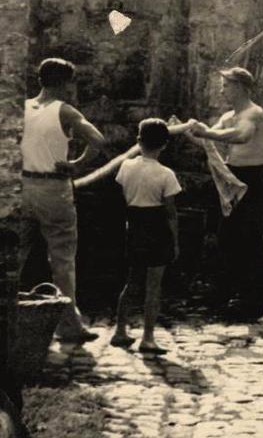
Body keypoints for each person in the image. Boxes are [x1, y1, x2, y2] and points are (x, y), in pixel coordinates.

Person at [18, 57, 105, 343]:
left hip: (23, 186)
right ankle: (68, 325)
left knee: (14, 255)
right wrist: (76, 164)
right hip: (53, 190)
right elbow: (98, 140)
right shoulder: (64, 111)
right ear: (64, 83)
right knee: (62, 260)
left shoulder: (24, 107)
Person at [188, 67, 263, 321]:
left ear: (240, 87)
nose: (222, 90)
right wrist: (190, 130)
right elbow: (208, 139)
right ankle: (223, 294)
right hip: (231, 179)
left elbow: (242, 136)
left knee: (250, 239)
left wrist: (207, 132)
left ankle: (253, 301)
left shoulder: (253, 114)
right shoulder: (228, 116)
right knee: (226, 237)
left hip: (252, 180)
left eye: (226, 85)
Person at [111, 119, 181, 354]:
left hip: (134, 224)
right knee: (154, 285)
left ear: (138, 140)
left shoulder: (126, 167)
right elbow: (170, 213)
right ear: (165, 145)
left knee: (131, 281)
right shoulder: (166, 174)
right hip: (156, 227)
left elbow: (122, 195)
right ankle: (148, 337)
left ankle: (120, 330)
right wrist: (175, 240)